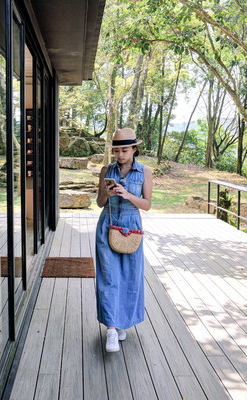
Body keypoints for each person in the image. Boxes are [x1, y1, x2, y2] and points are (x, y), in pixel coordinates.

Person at [95, 127, 153, 352]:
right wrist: (106, 194)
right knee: (108, 277)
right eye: (117, 150)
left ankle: (120, 323)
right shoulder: (106, 170)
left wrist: (128, 195)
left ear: (134, 149)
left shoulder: (145, 172)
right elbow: (99, 202)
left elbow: (147, 205)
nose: (120, 155)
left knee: (130, 278)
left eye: (125, 150)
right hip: (108, 224)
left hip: (132, 227)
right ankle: (111, 329)